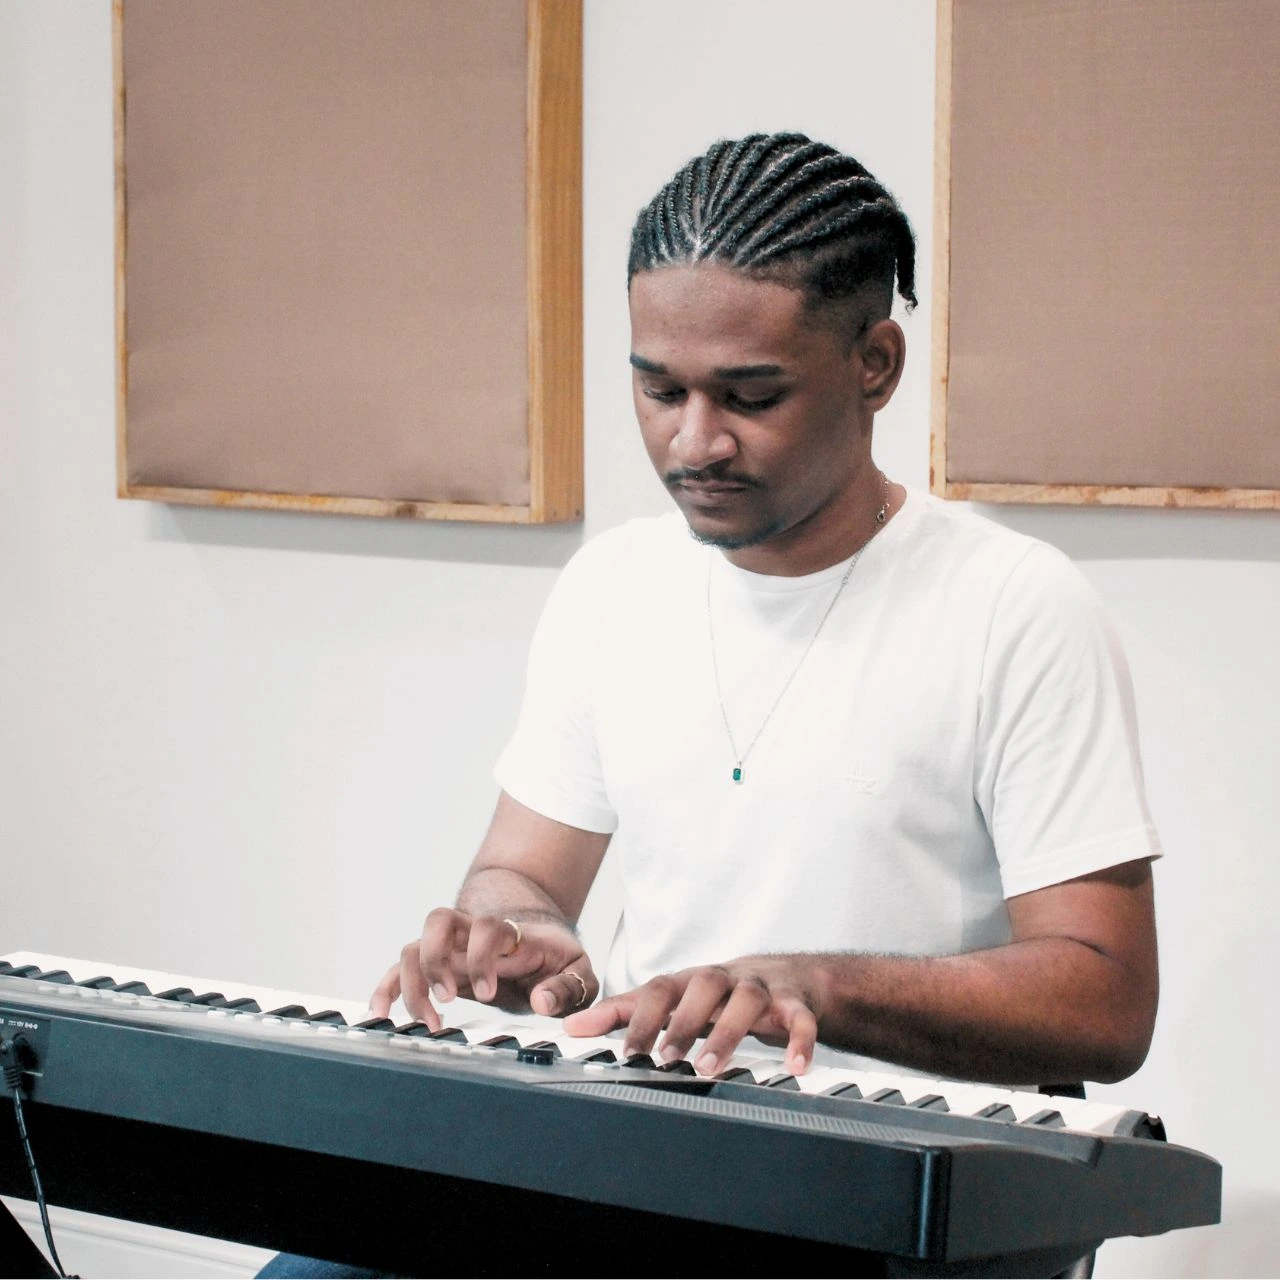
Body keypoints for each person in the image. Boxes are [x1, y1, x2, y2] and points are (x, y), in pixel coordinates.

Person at [261, 133, 1160, 1275]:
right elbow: (523, 873)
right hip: (655, 1140)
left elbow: (1105, 1002)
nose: (694, 440)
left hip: (895, 1181)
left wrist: (810, 987)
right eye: (659, 389)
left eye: (750, 395)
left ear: (874, 364)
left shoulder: (1015, 605)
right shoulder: (615, 584)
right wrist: (520, 938)